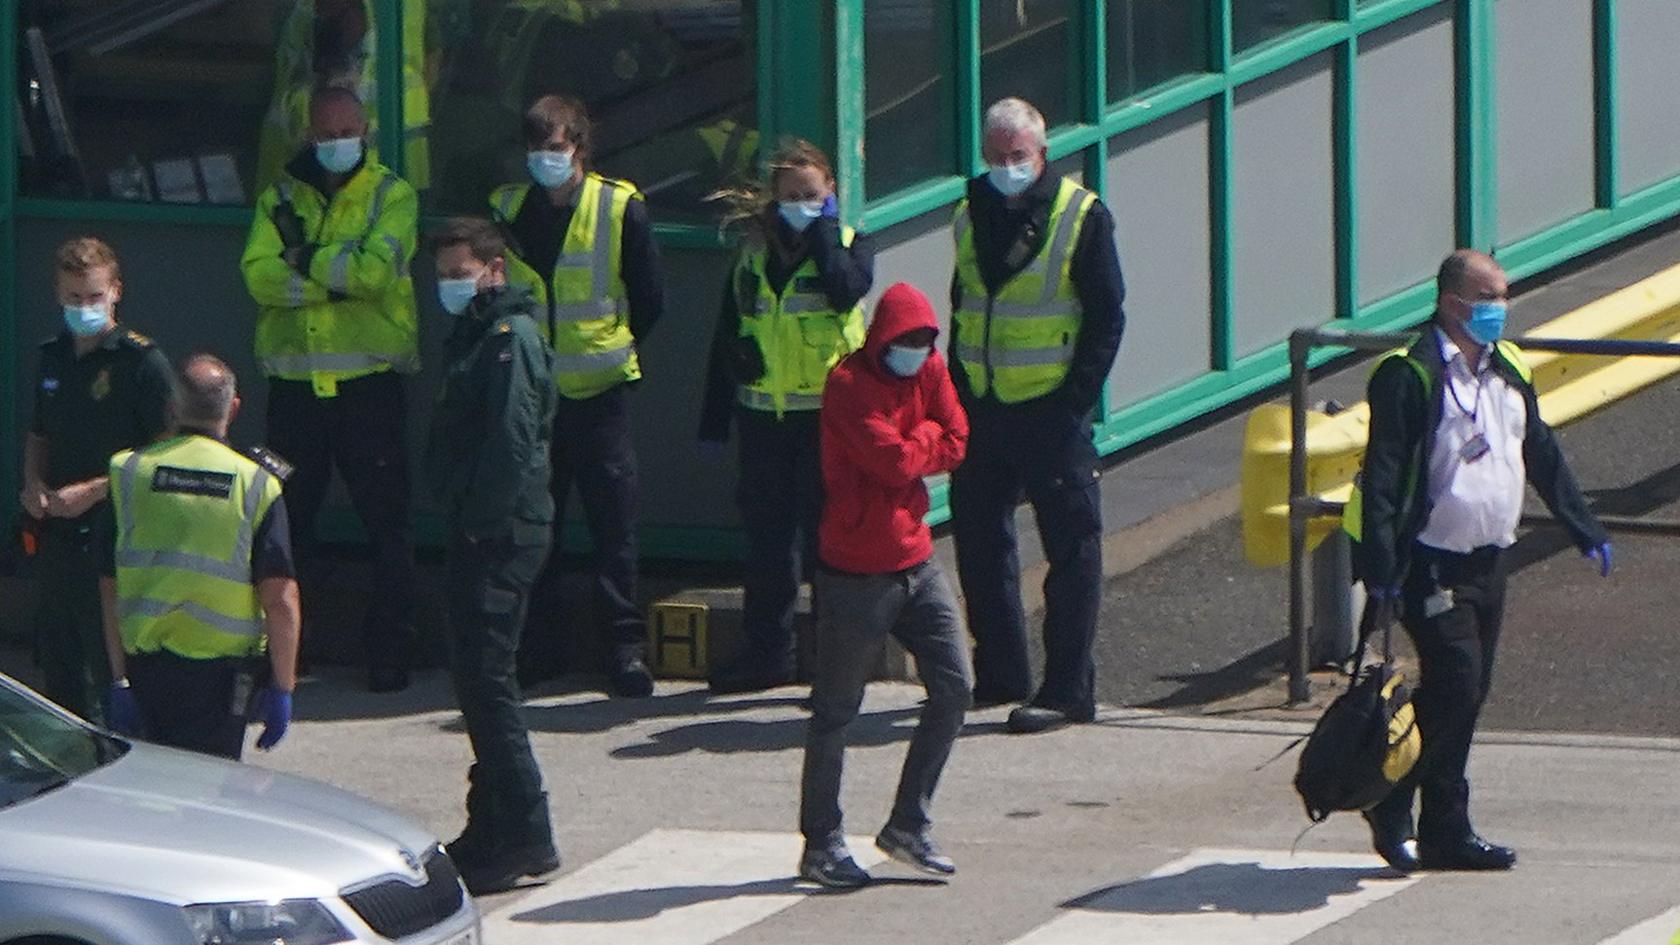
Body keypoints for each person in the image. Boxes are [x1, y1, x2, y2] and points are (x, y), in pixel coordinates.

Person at [1356, 249, 1610, 873]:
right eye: (1488, 297)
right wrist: (1381, 571)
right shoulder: (1410, 374)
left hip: (1489, 561)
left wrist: (1583, 526)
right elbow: (1385, 478)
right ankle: (1394, 799)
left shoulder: (1508, 367)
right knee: (1457, 684)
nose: (1500, 308)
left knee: (1466, 694)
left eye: (1504, 296)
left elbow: (1541, 450)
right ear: (1452, 302)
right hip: (1429, 562)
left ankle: (1443, 831)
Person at [947, 97, 1126, 734]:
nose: (1005, 168)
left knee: (1071, 551)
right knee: (978, 541)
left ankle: (1067, 689)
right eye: (995, 158)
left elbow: (1107, 318)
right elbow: (964, 305)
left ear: (1041, 155)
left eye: (1016, 157)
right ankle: (1002, 675)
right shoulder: (970, 211)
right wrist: (957, 393)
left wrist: (1074, 402)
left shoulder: (1082, 216)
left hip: (1053, 412)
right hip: (984, 407)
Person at [241, 86, 421, 694]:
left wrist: (304, 260)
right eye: (326, 133)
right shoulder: (278, 198)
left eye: (348, 130)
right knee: (289, 527)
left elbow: (375, 271)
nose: (338, 142)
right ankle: (294, 652)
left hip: (370, 385)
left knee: (388, 526)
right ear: (310, 136)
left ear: (366, 129)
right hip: (295, 387)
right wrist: (332, 278)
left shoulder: (392, 195)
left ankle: (390, 653)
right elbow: (260, 279)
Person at [489, 94, 665, 698]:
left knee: (614, 527)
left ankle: (624, 652)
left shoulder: (619, 207)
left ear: (580, 151)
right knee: (538, 529)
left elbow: (650, 301)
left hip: (600, 395)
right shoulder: (506, 209)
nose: (546, 160)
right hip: (532, 402)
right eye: (537, 150)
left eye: (556, 149)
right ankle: (540, 652)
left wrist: (609, 346)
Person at [798, 283, 971, 888]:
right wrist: (925, 440)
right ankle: (821, 843)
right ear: (881, 340)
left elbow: (959, 439)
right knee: (835, 714)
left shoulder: (931, 368)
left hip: (917, 559)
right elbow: (895, 461)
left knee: (955, 689)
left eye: (926, 342)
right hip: (855, 569)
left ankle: (907, 824)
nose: (918, 353)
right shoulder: (847, 386)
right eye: (907, 342)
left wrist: (917, 440)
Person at [699, 138, 874, 694]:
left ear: (831, 196)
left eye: (812, 194)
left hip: (825, 420)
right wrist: (714, 416)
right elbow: (726, 336)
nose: (801, 203)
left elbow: (847, 291)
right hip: (763, 419)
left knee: (828, 546)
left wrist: (822, 231)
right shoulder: (752, 255)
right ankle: (767, 655)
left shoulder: (848, 245)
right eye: (791, 195)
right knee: (769, 544)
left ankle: (831, 666)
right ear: (774, 199)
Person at [424, 218, 562, 895]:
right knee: (478, 682)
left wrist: (479, 523)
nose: (451, 283)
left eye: (461, 270)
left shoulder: (510, 340)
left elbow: (509, 445)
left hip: (501, 532)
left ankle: (526, 832)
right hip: (482, 527)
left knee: (489, 682)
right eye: (444, 272)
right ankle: (491, 824)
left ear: (494, 268)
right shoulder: (479, 335)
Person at [98, 354, 300, 761]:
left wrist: (118, 679)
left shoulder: (129, 472)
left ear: (172, 406)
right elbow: (280, 600)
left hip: (146, 670)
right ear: (235, 408)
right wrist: (283, 686)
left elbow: (109, 586)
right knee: (210, 796)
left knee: (148, 792)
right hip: (222, 681)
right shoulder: (256, 483)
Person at [19, 237, 175, 725]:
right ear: (57, 295)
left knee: (109, 668)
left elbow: (166, 455)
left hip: (116, 537)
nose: (83, 308)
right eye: (73, 298)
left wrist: (92, 491)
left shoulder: (141, 363)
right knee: (59, 665)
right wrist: (32, 483)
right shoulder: (53, 356)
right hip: (56, 536)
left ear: (115, 293)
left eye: (93, 297)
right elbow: (39, 432)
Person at [254, 0, 431, 194]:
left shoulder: (399, 19)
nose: (324, 13)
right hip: (294, 190)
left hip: (390, 185)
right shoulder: (300, 20)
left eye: (333, 11)